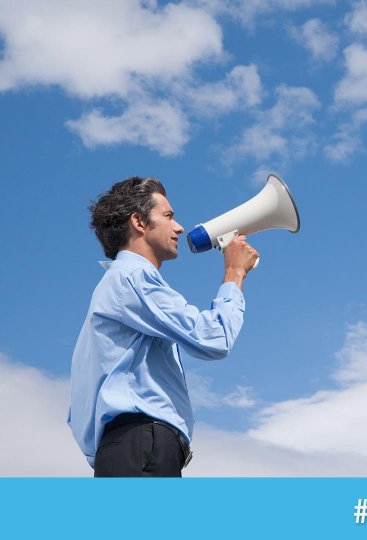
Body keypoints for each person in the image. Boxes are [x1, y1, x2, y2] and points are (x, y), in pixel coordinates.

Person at [68, 176, 259, 477]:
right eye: (168, 216)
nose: (179, 228)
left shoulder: (119, 284)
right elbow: (214, 338)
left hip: (130, 450)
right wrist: (234, 273)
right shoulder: (132, 277)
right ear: (139, 223)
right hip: (143, 445)